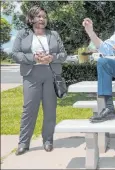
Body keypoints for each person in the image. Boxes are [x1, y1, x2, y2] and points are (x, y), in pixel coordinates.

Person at [11, 5, 67, 155]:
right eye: (39, 16)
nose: (42, 19)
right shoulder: (23, 34)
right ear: (31, 18)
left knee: (50, 109)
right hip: (31, 75)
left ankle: (48, 140)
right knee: (29, 110)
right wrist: (33, 58)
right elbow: (15, 54)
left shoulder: (53, 34)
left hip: (50, 74)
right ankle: (23, 143)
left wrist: (52, 57)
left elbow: (63, 54)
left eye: (44, 17)